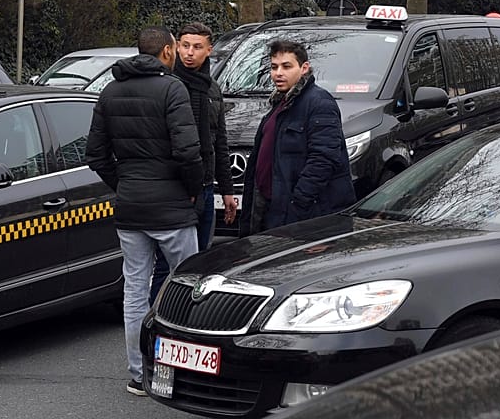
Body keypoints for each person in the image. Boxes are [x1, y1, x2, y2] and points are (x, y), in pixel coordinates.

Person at [84, 27, 204, 396]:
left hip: (131, 208)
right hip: (172, 209)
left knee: (135, 291)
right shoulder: (173, 89)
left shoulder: (109, 92)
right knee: (187, 289)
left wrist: (123, 184)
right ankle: (184, 370)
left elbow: (95, 155)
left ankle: (140, 374)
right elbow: (187, 151)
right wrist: (192, 190)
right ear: (167, 51)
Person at [150, 22, 235, 303]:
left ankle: (190, 318)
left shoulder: (213, 89)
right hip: (177, 188)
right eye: (184, 46)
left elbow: (219, 141)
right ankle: (158, 314)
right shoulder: (169, 85)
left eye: (197, 47)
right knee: (168, 264)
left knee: (200, 260)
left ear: (209, 50)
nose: (189, 53)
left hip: (206, 186)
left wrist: (227, 189)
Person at [246, 39, 356, 234]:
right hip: (272, 210)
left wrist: (297, 203)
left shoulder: (319, 103)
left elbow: (323, 161)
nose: (278, 73)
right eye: (274, 67)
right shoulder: (280, 105)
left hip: (303, 216)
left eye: (286, 66)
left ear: (304, 68)